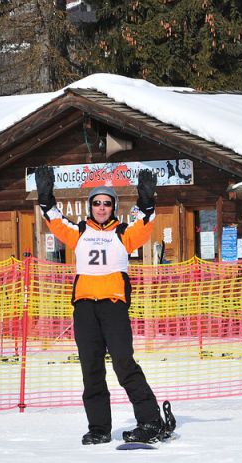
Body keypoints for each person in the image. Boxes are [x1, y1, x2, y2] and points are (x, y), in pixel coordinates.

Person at [35, 165, 173, 446]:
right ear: (90, 206)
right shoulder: (79, 232)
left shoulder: (124, 234)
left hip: (113, 307)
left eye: (106, 203)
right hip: (85, 308)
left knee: (124, 364)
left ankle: (150, 421)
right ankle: (98, 427)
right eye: (96, 203)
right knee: (91, 368)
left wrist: (147, 200)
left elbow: (145, 225)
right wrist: (46, 195)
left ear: (113, 207)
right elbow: (55, 221)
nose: (101, 207)